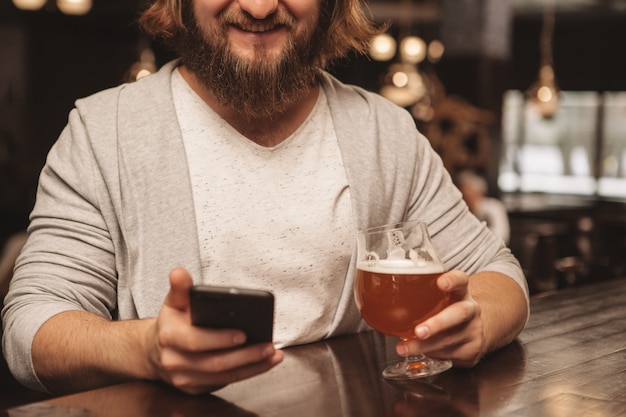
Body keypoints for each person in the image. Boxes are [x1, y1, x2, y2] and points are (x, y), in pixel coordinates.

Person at [2, 0, 529, 396]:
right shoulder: (104, 131)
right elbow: (31, 328)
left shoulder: (384, 131)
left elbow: (499, 274)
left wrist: (475, 320)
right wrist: (147, 349)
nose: (258, 7)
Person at [456, 170, 511, 244]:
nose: (464, 198)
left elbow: (501, 236)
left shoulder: (494, 207)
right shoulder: (460, 211)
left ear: (480, 192)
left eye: (467, 195)